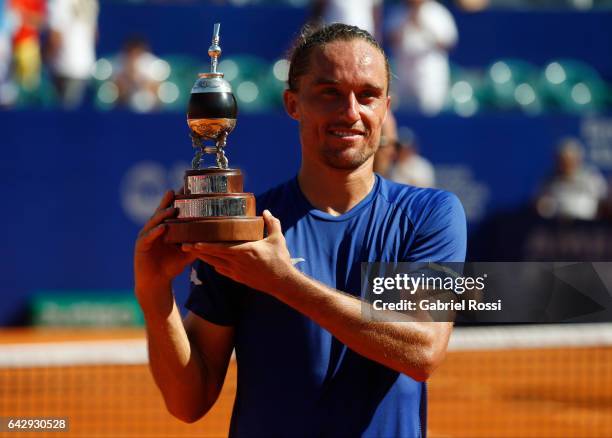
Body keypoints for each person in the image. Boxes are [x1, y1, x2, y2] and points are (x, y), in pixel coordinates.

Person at [134, 24, 466, 437]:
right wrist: (153, 295)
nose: (351, 112)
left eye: (368, 95)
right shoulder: (243, 230)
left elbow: (422, 350)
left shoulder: (430, 214)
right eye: (329, 93)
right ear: (293, 104)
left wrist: (283, 281)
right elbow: (189, 402)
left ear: (386, 106)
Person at [388, 0, 458, 115]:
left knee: (430, 110)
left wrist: (422, 25)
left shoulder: (437, 12)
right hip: (404, 70)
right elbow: (390, 39)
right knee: (404, 110)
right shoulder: (398, 12)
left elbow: (448, 43)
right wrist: (407, 22)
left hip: (429, 72)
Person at [536, 137, 607, 221]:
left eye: (570, 159)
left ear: (578, 159)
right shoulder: (547, 181)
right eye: (563, 160)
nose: (567, 163)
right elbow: (540, 206)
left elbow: (603, 203)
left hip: (588, 227)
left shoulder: (592, 178)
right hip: (557, 228)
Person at [46, 0, 99, 109]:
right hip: (85, 65)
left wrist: (44, 59)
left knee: (63, 117)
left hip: (64, 66)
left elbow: (56, 38)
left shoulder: (59, 2)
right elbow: (94, 35)